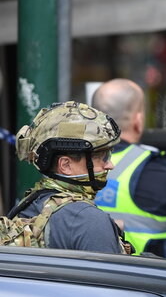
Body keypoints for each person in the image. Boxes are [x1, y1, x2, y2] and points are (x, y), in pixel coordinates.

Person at [91, 78, 166, 257]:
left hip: (85, 274)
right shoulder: (159, 169)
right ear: (138, 120)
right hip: (146, 279)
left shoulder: (72, 163)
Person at [8, 101, 127, 253]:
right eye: (102, 157)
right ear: (65, 165)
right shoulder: (88, 220)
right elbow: (112, 276)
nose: (110, 165)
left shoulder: (29, 203)